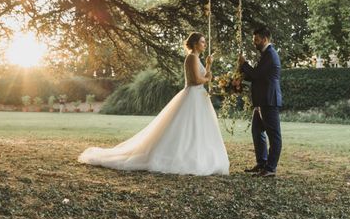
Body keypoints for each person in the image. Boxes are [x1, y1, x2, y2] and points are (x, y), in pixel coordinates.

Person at [78, 32, 229, 175]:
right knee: (186, 128)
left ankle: (198, 156)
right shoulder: (191, 58)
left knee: (197, 129)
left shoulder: (197, 58)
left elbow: (204, 76)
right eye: (202, 42)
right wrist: (208, 78)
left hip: (199, 96)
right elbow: (196, 80)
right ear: (195, 44)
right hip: (193, 96)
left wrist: (208, 65)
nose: (205, 44)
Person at [238, 25, 282, 177]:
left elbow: (256, 74)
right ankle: (262, 163)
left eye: (256, 40)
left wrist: (244, 64)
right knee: (257, 131)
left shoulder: (270, 54)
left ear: (265, 39)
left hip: (269, 101)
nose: (254, 43)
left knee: (274, 135)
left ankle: (270, 168)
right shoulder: (265, 55)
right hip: (261, 101)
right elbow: (255, 76)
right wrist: (241, 77)